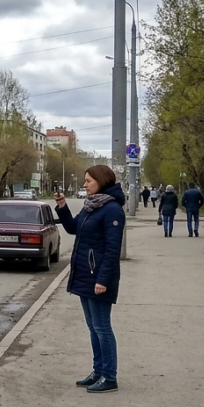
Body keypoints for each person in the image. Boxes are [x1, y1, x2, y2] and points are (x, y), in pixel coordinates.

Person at [53, 165, 126, 394]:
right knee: (93, 327)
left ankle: (110, 376)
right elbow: (74, 228)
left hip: (99, 278)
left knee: (102, 328)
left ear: (101, 181)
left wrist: (103, 280)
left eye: (88, 181)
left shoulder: (112, 210)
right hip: (85, 275)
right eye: (84, 181)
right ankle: (98, 370)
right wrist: (63, 207)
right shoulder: (92, 206)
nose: (85, 185)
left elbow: (113, 250)